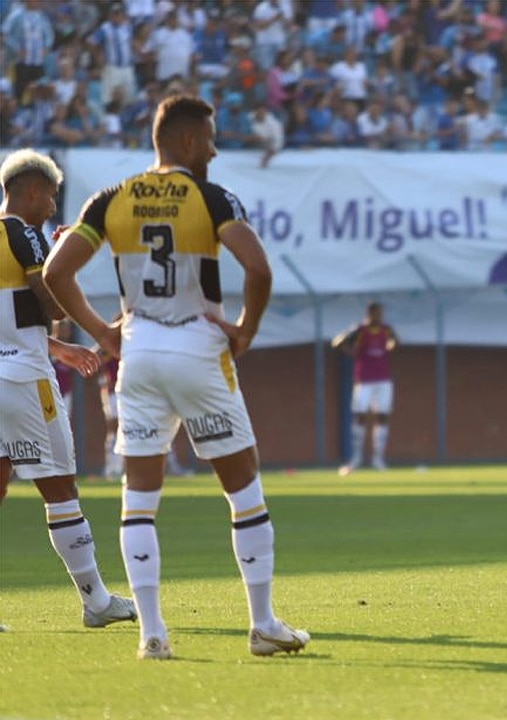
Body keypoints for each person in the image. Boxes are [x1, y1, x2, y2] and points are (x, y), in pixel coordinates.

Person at [42, 95, 309, 659]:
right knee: (244, 492)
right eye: (209, 138)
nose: (214, 149)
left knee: (138, 499)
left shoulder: (110, 199)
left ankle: (152, 634)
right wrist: (245, 330)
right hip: (197, 348)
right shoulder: (212, 198)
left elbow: (55, 271)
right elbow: (257, 268)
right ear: (188, 141)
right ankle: (261, 624)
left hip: (136, 355)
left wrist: (104, 333)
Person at [0, 148, 137, 629]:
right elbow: (49, 304)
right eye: (52, 196)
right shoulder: (23, 233)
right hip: (23, 383)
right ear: (32, 191)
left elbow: (13, 319)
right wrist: (56, 257)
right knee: (60, 488)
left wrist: (57, 350)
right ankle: (97, 601)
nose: (53, 207)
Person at [332, 301, 398, 475]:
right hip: (364, 380)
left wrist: (389, 347)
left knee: (382, 416)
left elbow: (395, 342)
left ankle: (378, 458)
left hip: (383, 379)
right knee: (360, 416)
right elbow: (337, 343)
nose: (379, 316)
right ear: (369, 313)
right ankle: (357, 457)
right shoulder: (359, 330)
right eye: (376, 313)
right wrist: (351, 350)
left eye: (380, 313)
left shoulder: (386, 329)